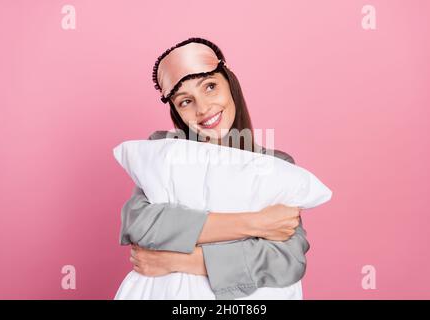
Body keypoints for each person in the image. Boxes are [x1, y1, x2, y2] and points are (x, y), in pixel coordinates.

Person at [116, 37, 310, 300]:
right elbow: (142, 224)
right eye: (186, 101)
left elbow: (287, 261)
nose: (203, 108)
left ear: (230, 84)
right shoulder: (165, 153)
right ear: (176, 112)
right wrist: (256, 224)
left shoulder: (276, 166)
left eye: (210, 86)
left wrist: (176, 260)